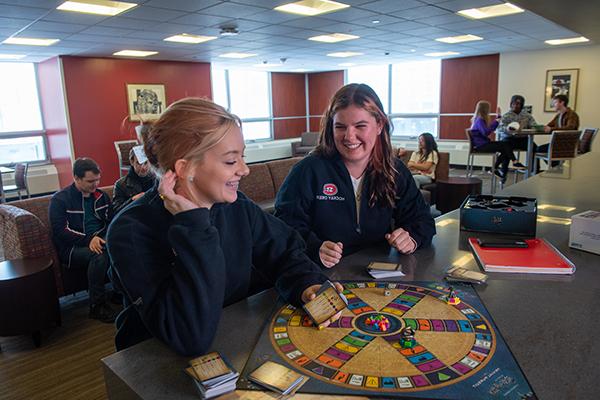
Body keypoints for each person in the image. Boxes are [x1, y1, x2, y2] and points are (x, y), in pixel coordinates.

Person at [106, 97, 336, 356]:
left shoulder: (236, 206)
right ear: (185, 168)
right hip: (155, 364)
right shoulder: (130, 230)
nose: (245, 170)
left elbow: (284, 252)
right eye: (230, 161)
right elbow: (189, 335)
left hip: (232, 341)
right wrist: (193, 226)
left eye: (243, 157)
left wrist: (306, 284)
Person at [274, 83, 435, 269]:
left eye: (360, 126)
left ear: (379, 125)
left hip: (378, 274)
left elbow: (422, 220)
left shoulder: (395, 170)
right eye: (340, 127)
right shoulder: (308, 170)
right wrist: (313, 247)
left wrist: (412, 237)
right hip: (320, 275)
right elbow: (283, 225)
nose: (349, 137)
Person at [49, 158, 117, 323]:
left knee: (123, 246)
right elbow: (60, 231)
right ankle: (97, 306)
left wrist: (106, 237)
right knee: (99, 255)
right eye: (90, 181)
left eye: (98, 180)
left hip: (100, 239)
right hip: (72, 247)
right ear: (76, 178)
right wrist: (89, 240)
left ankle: (119, 292)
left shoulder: (101, 196)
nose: (95, 185)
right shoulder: (60, 200)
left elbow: (111, 220)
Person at [469, 100, 526, 183]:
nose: (489, 111)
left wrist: (497, 119)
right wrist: (496, 121)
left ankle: (496, 168)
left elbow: (487, 130)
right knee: (506, 145)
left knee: (506, 147)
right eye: (488, 109)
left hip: (483, 144)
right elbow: (486, 132)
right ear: (485, 110)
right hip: (482, 146)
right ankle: (514, 162)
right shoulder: (479, 120)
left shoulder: (478, 120)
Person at [535, 94, 581, 171]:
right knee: (539, 149)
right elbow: (549, 125)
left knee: (540, 149)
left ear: (562, 103)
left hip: (569, 144)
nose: (553, 105)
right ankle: (557, 168)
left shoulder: (572, 114)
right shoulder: (559, 115)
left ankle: (556, 168)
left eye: (555, 102)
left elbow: (570, 128)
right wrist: (542, 127)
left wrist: (551, 129)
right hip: (560, 143)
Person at [112, 147, 155, 213]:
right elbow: (116, 211)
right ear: (132, 162)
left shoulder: (157, 180)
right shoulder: (121, 185)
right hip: (135, 219)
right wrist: (132, 200)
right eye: (139, 163)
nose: (143, 167)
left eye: (146, 163)